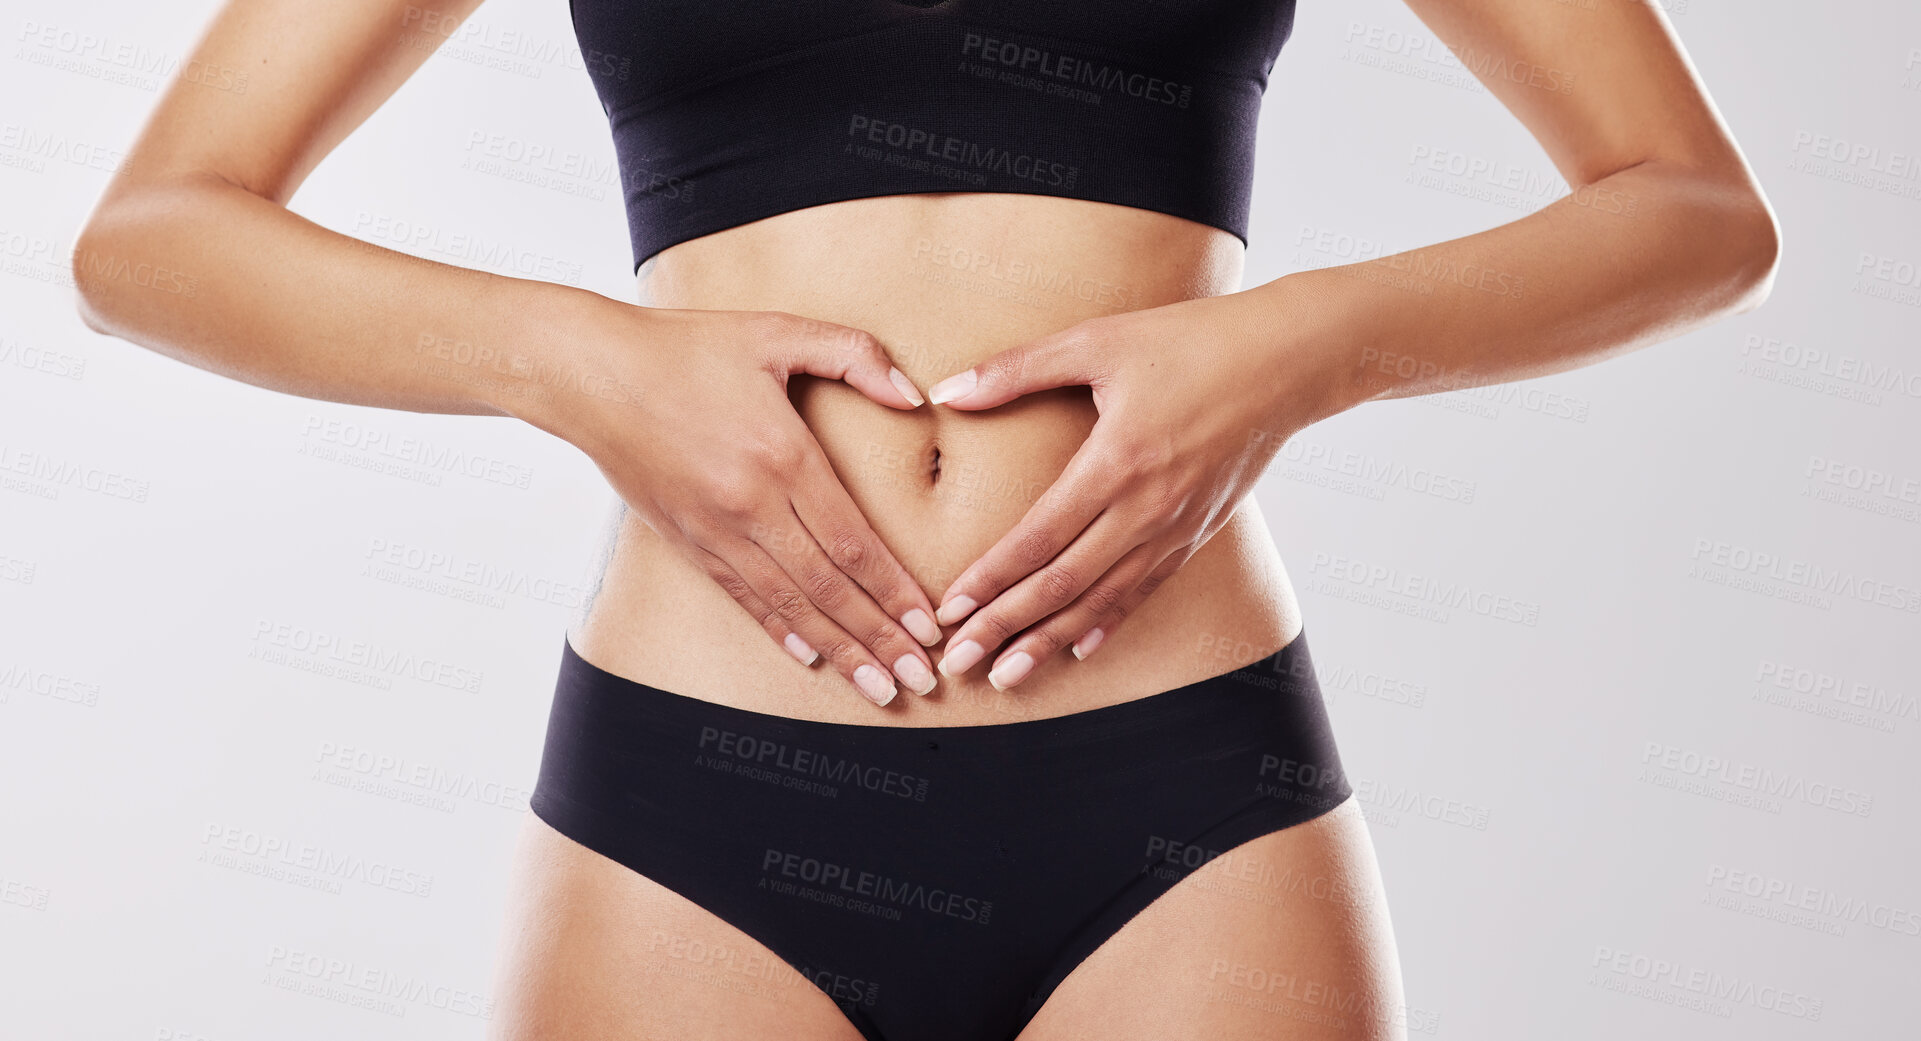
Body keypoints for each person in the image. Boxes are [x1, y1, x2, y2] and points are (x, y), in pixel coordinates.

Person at [72, 1, 1778, 1038]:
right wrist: (577, 360)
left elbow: (1691, 207)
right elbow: (153, 235)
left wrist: (1294, 348)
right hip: (699, 806)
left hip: (1178, 813)